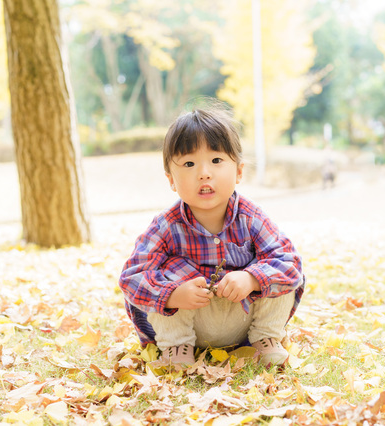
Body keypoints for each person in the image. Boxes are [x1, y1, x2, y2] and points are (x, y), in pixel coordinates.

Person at [118, 104, 305, 367]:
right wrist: (172, 295)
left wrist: (251, 278)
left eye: (216, 161)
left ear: (238, 171)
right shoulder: (166, 226)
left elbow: (290, 263)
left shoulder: (251, 218)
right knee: (163, 268)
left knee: (279, 268)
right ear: (171, 179)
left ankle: (265, 339)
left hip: (243, 319)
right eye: (189, 163)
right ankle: (176, 348)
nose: (204, 172)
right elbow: (132, 277)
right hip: (188, 321)